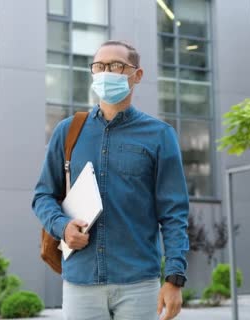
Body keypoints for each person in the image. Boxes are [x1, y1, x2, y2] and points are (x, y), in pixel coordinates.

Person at [32, 40, 189, 320]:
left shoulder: (160, 135)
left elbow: (174, 213)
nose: (106, 72)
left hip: (138, 283)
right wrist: (63, 226)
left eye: (117, 66)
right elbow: (43, 195)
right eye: (99, 66)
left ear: (137, 75)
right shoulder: (67, 132)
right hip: (81, 280)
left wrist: (174, 278)